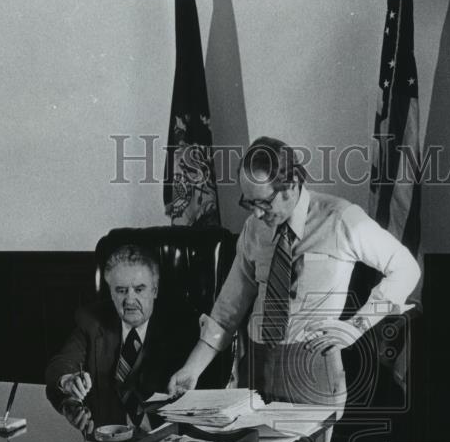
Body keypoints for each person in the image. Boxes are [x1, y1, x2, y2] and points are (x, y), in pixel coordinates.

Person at [167, 136, 421, 414]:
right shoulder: (254, 228)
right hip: (256, 368)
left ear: (289, 186)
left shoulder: (341, 219)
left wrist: (357, 325)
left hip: (313, 371)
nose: (256, 213)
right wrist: (192, 368)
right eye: (248, 203)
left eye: (262, 202)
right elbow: (227, 311)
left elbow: (406, 268)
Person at [45, 244, 193, 434]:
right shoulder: (91, 320)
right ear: (111, 293)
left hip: (163, 436)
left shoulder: (180, 327)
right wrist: (68, 380)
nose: (130, 301)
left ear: (154, 291)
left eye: (139, 290)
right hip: (107, 434)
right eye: (121, 290)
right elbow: (60, 363)